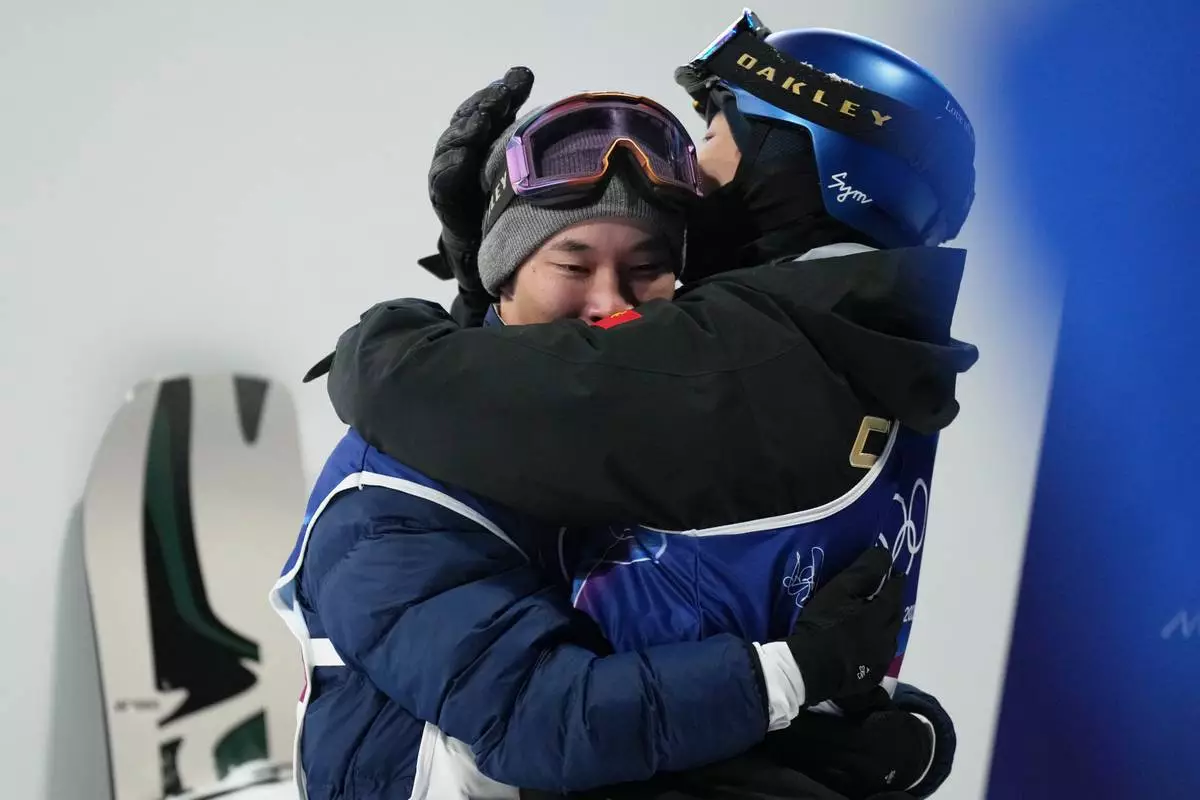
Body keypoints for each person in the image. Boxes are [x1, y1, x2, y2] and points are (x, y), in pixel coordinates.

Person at [312, 11, 978, 799]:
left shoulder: (728, 362)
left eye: (650, 265)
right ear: (507, 269)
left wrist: (389, 347)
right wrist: (800, 681)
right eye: (571, 260)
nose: (611, 307)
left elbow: (500, 392)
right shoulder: (396, 489)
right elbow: (536, 717)